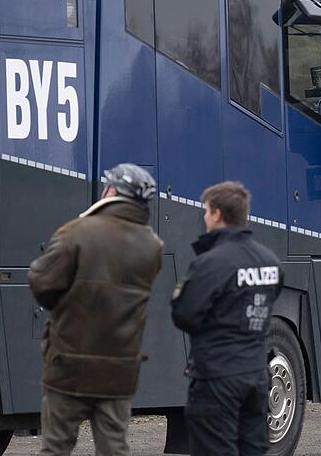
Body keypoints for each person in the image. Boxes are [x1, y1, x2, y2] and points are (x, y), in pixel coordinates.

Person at [28, 163, 164, 456]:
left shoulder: (76, 232)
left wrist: (62, 307)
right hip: (119, 372)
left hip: (68, 365)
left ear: (112, 191)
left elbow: (41, 281)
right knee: (114, 450)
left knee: (55, 448)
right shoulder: (152, 247)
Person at [171, 181, 283, 456]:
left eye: (206, 211)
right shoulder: (269, 261)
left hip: (217, 378)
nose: (205, 217)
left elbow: (185, 315)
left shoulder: (211, 263)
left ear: (218, 214)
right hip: (256, 376)